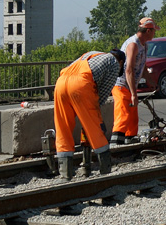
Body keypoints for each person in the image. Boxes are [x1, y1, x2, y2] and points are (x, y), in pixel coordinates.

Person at [53, 49, 125, 179]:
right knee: (95, 129)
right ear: (120, 62)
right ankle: (105, 171)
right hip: (81, 84)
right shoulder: (114, 63)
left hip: (60, 83)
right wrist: (89, 118)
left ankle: (65, 174)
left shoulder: (92, 54)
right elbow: (100, 96)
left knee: (63, 128)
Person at [110, 17, 157, 146]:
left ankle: (129, 144)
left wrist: (150, 81)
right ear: (148, 30)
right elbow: (129, 70)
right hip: (121, 86)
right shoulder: (133, 44)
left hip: (130, 87)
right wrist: (133, 93)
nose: (154, 33)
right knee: (123, 114)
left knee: (132, 118)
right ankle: (115, 146)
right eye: (153, 31)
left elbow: (142, 66)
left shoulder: (144, 45)